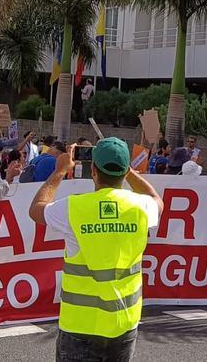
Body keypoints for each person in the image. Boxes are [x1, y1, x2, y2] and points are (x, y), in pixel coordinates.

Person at [29, 138, 163, 361]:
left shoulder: (74, 207)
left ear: (93, 170)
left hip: (80, 325)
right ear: (124, 170)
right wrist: (128, 173)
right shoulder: (142, 206)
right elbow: (157, 199)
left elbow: (36, 210)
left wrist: (60, 171)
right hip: (123, 323)